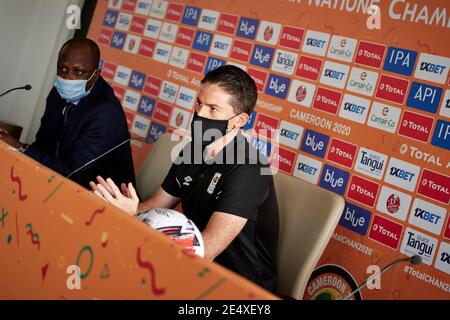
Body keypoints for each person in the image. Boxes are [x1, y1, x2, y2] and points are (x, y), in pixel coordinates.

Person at [91, 65, 279, 292]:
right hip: (191, 266)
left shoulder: (250, 169)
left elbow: (206, 250)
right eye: (199, 103)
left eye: (213, 109)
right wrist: (127, 208)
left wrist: (137, 215)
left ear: (239, 120)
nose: (200, 114)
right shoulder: (192, 151)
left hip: (240, 287)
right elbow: (153, 206)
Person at [0, 38, 136, 189]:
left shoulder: (106, 113)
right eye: (62, 68)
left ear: (95, 75)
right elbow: (43, 145)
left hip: (101, 198)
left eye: (78, 72)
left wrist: (20, 147)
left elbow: (73, 174)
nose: (67, 78)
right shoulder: (58, 93)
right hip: (56, 184)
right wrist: (9, 145)